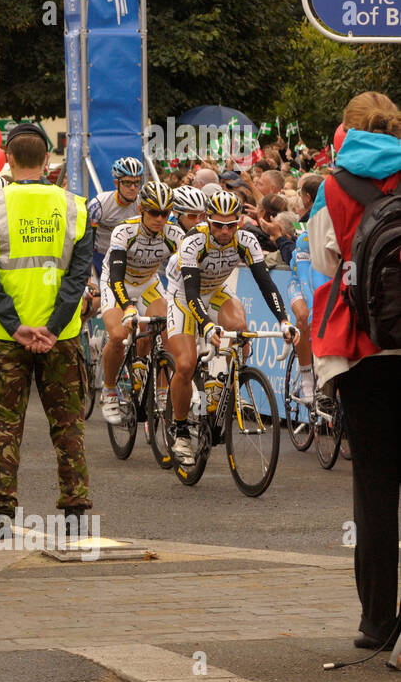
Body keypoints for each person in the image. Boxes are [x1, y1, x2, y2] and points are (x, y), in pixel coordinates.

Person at [0, 123, 94, 551]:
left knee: (3, 429)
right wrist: (53, 328)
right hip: (64, 336)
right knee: (68, 427)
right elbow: (78, 277)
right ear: (47, 163)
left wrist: (16, 324)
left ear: (9, 160)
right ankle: (75, 518)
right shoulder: (76, 206)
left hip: (7, 337)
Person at [307, 91, 401, 651]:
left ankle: (377, 621)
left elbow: (323, 261)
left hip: (364, 353)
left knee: (374, 487)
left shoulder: (335, 187)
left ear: (347, 129)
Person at [165, 190, 296, 466]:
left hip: (215, 291)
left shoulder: (246, 240)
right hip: (185, 296)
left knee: (239, 327)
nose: (225, 231)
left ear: (239, 222)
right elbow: (191, 294)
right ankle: (179, 431)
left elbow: (266, 284)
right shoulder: (193, 241)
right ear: (207, 221)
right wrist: (207, 326)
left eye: (231, 225)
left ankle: (219, 384)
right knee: (186, 365)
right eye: (218, 225)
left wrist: (284, 320)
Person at [97, 181, 184, 424]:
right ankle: (110, 388)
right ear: (141, 210)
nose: (160, 218)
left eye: (165, 213)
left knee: (165, 326)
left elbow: (186, 272)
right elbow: (115, 275)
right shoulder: (124, 231)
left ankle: (160, 390)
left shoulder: (175, 235)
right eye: (154, 212)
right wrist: (126, 306)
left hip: (147, 283)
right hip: (118, 283)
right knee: (118, 336)